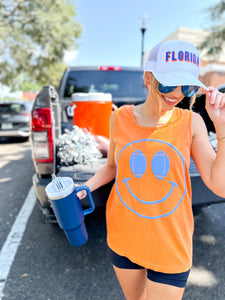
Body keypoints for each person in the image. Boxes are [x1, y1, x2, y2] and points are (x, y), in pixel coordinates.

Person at [77, 40, 225, 300]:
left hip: (171, 242)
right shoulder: (119, 117)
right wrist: (87, 187)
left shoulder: (192, 122)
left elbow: (219, 184)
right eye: (169, 83)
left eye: (187, 86)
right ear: (148, 77)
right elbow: (112, 166)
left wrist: (222, 131)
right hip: (124, 235)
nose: (177, 93)